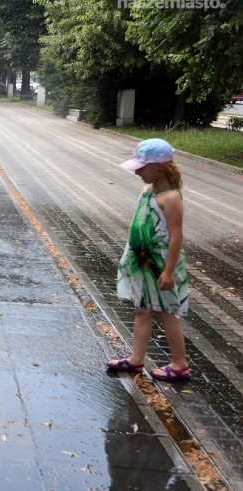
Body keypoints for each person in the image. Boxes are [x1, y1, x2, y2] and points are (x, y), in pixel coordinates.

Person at [107, 138, 191, 381]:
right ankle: (135, 359)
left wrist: (168, 271)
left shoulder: (171, 197)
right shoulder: (148, 191)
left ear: (160, 167)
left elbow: (176, 237)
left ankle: (179, 364)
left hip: (160, 263)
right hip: (142, 262)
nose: (137, 173)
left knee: (166, 311)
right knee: (142, 309)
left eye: (141, 168)